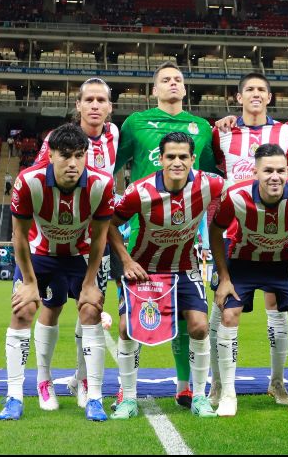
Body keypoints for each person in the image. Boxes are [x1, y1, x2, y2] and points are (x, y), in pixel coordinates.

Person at [114, 62, 218, 410]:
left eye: (178, 79)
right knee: (132, 322)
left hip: (186, 231)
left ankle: (188, 388)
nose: (172, 83)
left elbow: (216, 174)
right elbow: (113, 165)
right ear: (154, 89)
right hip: (141, 230)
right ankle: (125, 392)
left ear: (185, 88)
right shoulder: (135, 123)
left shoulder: (201, 127)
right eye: (165, 80)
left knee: (191, 321)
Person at [0, 123, 114, 421]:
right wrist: (28, 282)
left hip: (81, 255)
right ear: (50, 155)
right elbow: (19, 236)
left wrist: (90, 282)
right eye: (65, 155)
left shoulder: (102, 183)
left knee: (90, 310)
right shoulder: (28, 181)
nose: (73, 163)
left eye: (79, 155)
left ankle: (94, 395)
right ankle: (16, 395)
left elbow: (100, 237)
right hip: (40, 254)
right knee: (23, 310)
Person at [108, 132, 226, 420]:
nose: (177, 162)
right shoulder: (139, 191)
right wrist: (126, 261)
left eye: (183, 156)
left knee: (199, 327)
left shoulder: (209, 183)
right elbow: (110, 224)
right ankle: (128, 398)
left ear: (193, 159)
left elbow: (243, 186)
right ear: (160, 159)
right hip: (144, 269)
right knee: (125, 328)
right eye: (170, 156)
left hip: (185, 267)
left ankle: (199, 396)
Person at [209, 143, 288, 416]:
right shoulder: (235, 196)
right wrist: (224, 277)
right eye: (268, 171)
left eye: (281, 171)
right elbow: (215, 231)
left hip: (285, 260)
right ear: (255, 172)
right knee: (228, 314)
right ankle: (227, 393)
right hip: (244, 260)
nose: (275, 177)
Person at [208, 73, 288, 406]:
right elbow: (212, 171)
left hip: (276, 233)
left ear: (270, 97)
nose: (256, 94)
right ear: (239, 97)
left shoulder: (286, 132)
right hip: (232, 233)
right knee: (222, 308)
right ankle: (218, 384)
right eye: (249, 89)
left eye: (262, 89)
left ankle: (277, 382)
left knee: (278, 309)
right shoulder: (222, 132)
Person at [33, 78, 120, 411]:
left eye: (101, 100)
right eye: (89, 100)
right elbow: (38, 180)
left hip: (94, 242)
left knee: (91, 308)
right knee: (52, 305)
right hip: (57, 240)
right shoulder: (57, 140)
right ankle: (44, 380)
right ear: (78, 105)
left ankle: (83, 380)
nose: (95, 105)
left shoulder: (115, 135)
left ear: (110, 107)